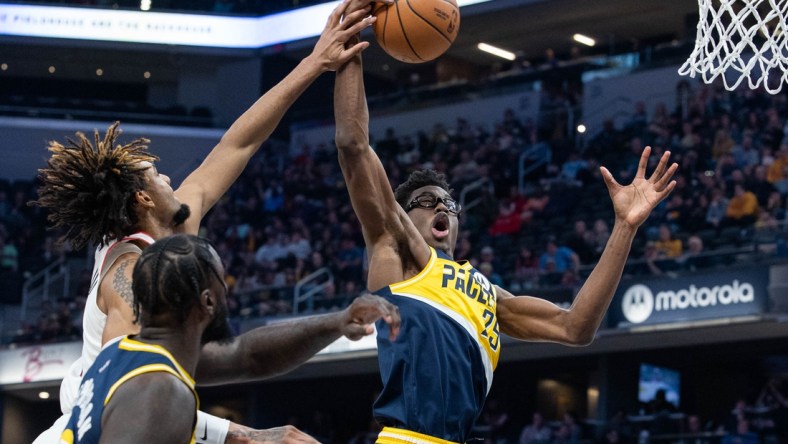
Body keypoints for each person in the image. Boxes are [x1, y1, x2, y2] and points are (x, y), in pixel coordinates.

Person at [30, 1, 388, 442]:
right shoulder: (129, 270)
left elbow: (239, 143)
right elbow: (124, 383)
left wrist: (317, 62)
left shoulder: (174, 231)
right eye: (155, 174)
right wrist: (242, 434)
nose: (167, 177)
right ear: (143, 198)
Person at [332, 6, 678, 441]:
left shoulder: (487, 296)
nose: (442, 208)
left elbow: (577, 328)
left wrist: (625, 227)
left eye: (449, 204)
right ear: (403, 215)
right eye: (425, 201)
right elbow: (352, 144)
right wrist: (351, 39)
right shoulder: (394, 252)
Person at [59, 233, 400, 443]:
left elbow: (248, 356)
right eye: (224, 284)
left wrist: (338, 322)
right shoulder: (161, 392)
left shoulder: (128, 353)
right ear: (208, 301)